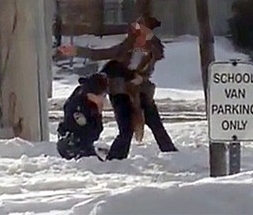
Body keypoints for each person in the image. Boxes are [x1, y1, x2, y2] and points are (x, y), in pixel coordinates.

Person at [57, 16, 178, 161]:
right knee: (126, 128)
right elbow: (98, 54)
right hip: (119, 90)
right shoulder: (124, 49)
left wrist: (141, 78)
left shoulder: (152, 52)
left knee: (154, 122)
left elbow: (154, 57)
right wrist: (76, 51)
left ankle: (171, 153)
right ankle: (115, 159)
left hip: (140, 91)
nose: (140, 38)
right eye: (137, 33)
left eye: (144, 34)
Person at [56, 73, 108, 160]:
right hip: (72, 145)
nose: (103, 98)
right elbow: (88, 133)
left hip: (82, 143)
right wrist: (98, 113)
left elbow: (95, 133)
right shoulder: (79, 106)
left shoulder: (89, 103)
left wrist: (98, 112)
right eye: (102, 95)